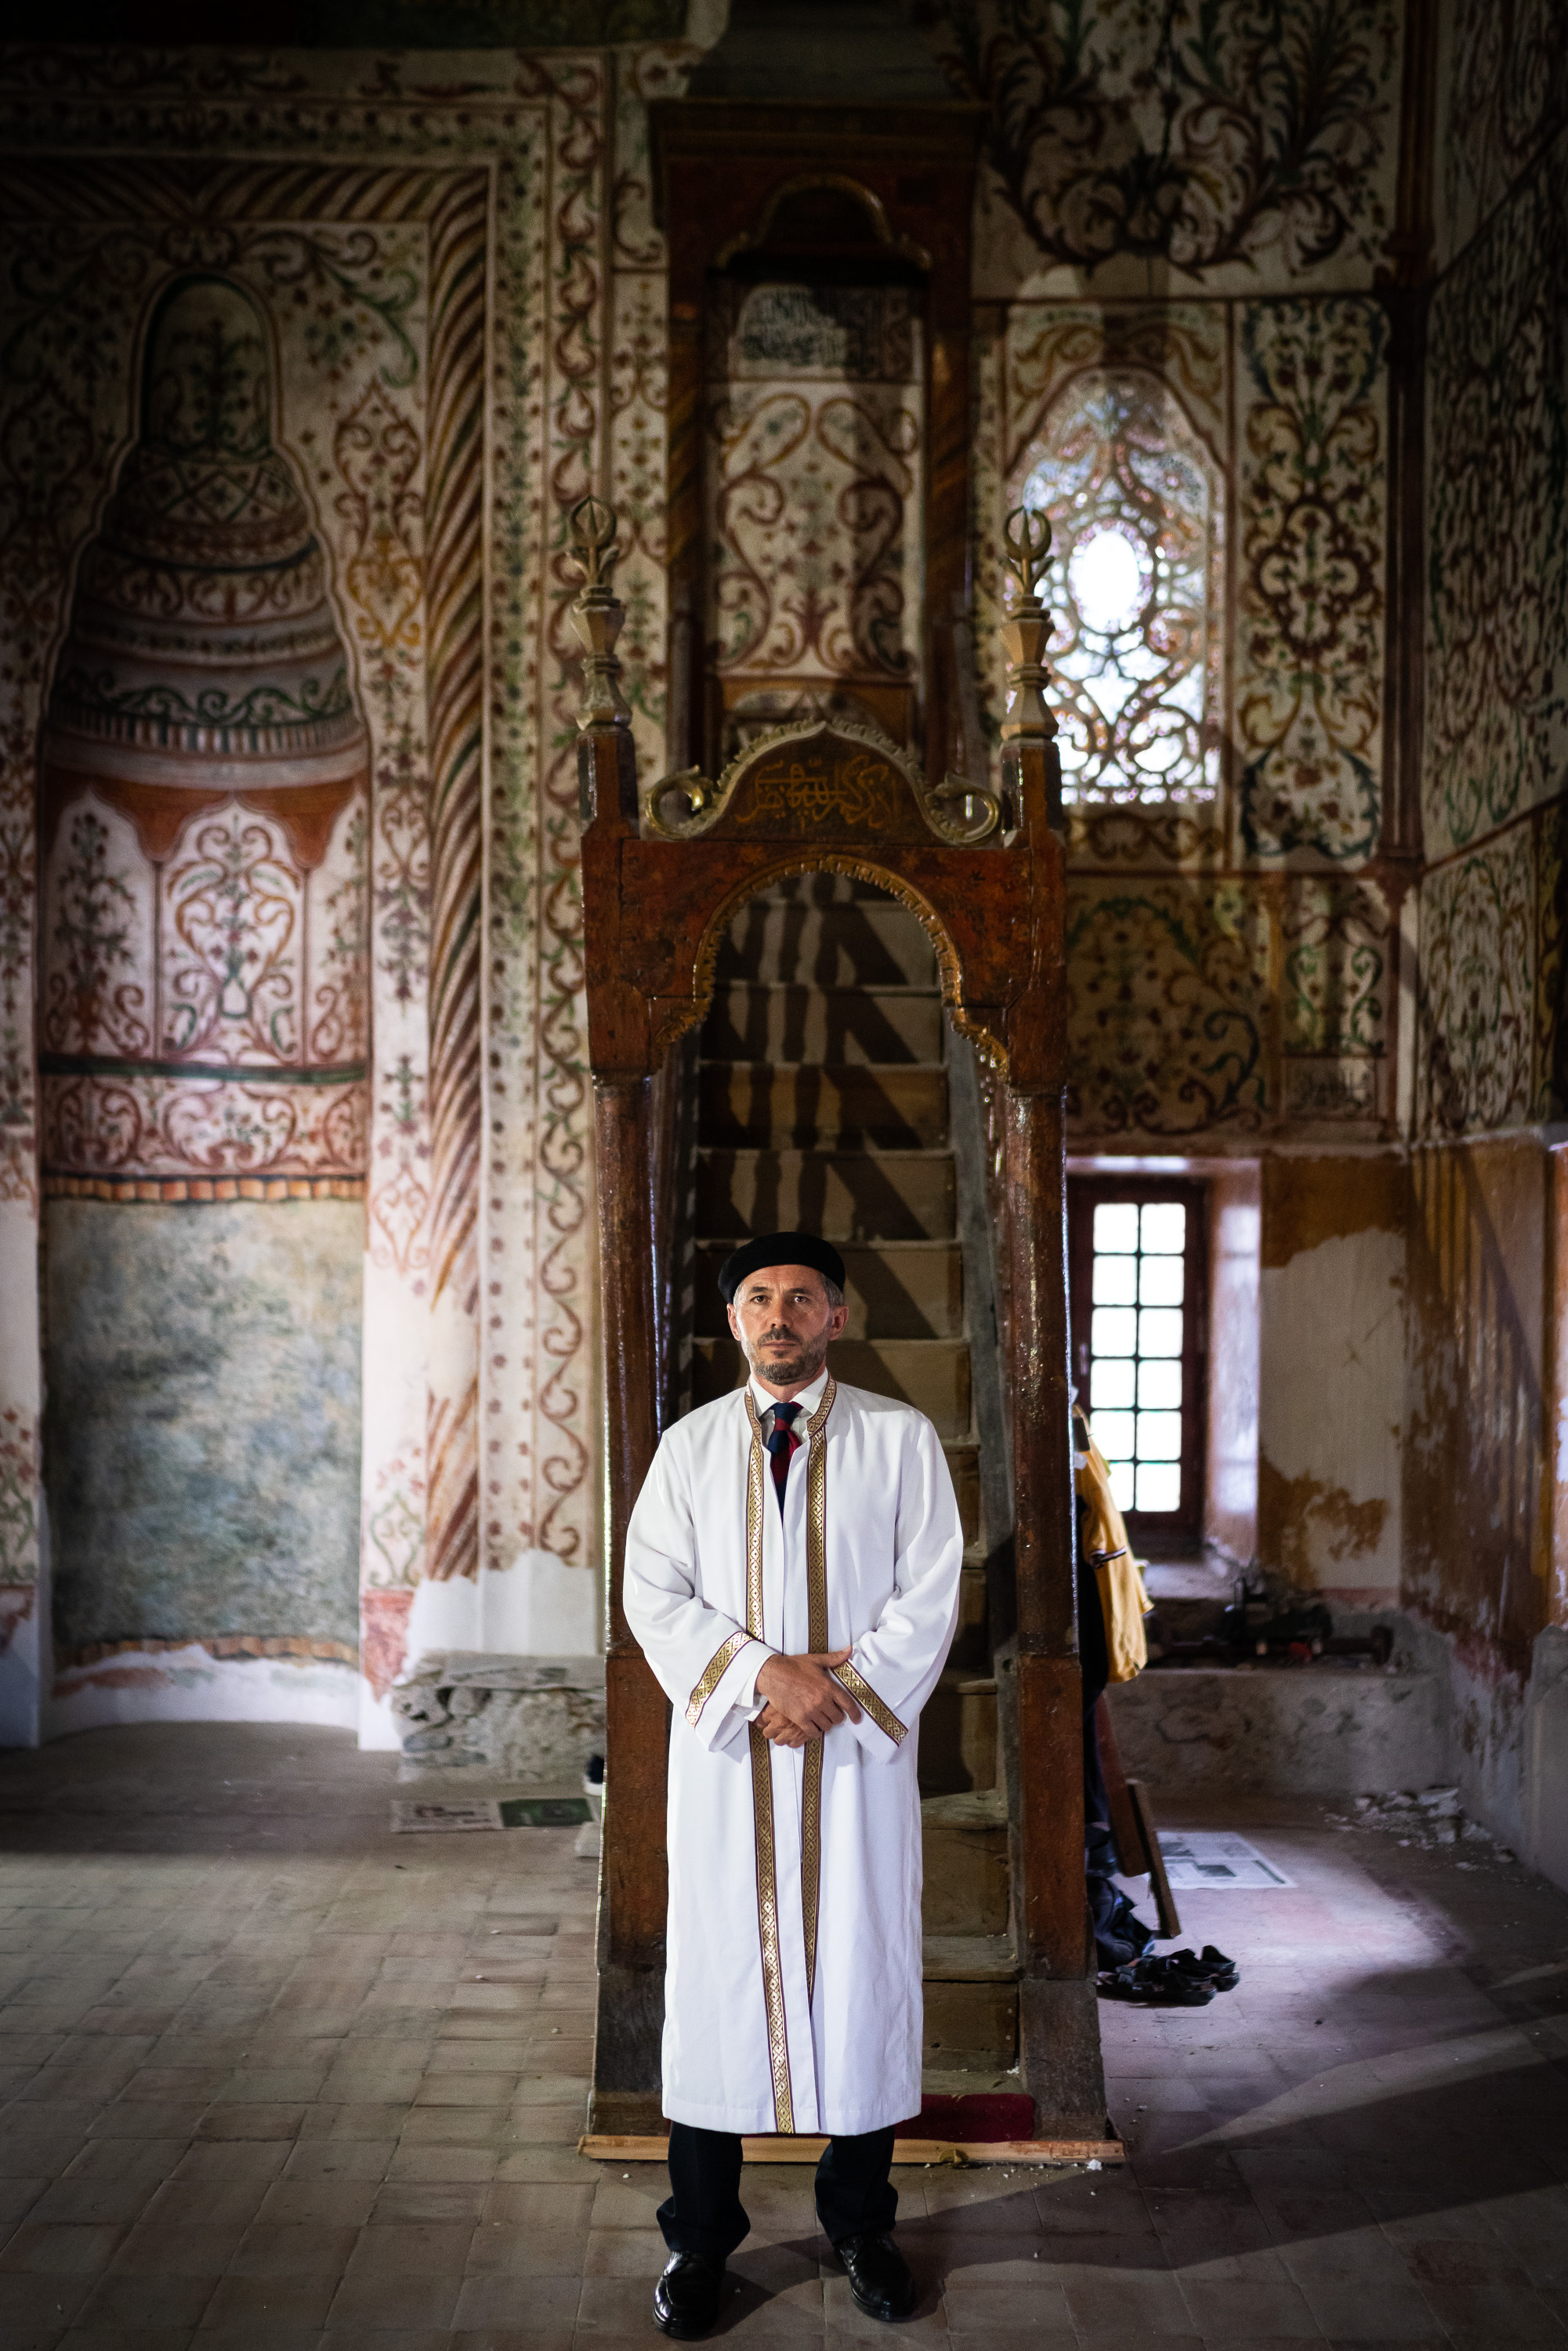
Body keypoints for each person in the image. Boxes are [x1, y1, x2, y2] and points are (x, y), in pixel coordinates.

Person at [623, 1231, 964, 2338]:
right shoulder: (685, 1449)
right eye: (759, 1299)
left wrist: (839, 1690)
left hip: (850, 1759)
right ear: (734, 1323)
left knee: (860, 1977)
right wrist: (761, 1674)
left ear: (837, 1320)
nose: (778, 1315)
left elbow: (930, 1590)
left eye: (801, 1299)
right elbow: (653, 1593)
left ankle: (860, 2226)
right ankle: (699, 2244)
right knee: (719, 1989)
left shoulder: (899, 1440)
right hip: (732, 1757)